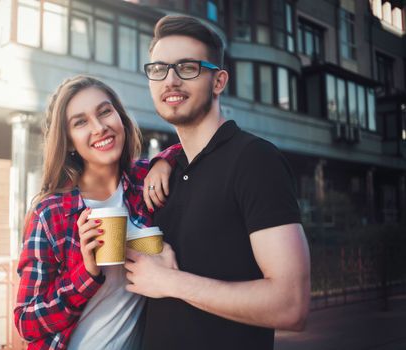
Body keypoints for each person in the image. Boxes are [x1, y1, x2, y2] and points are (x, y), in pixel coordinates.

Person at [124, 15, 311, 350]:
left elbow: (291, 304)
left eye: (188, 67)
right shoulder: (164, 172)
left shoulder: (254, 160)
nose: (171, 80)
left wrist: (170, 282)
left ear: (219, 81)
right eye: (159, 69)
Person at [14, 75, 179, 350]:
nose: (100, 127)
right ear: (68, 141)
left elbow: (193, 149)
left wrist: (165, 160)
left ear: (120, 117)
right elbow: (26, 322)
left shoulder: (143, 183)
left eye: (105, 112)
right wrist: (86, 273)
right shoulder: (51, 213)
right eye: (81, 122)